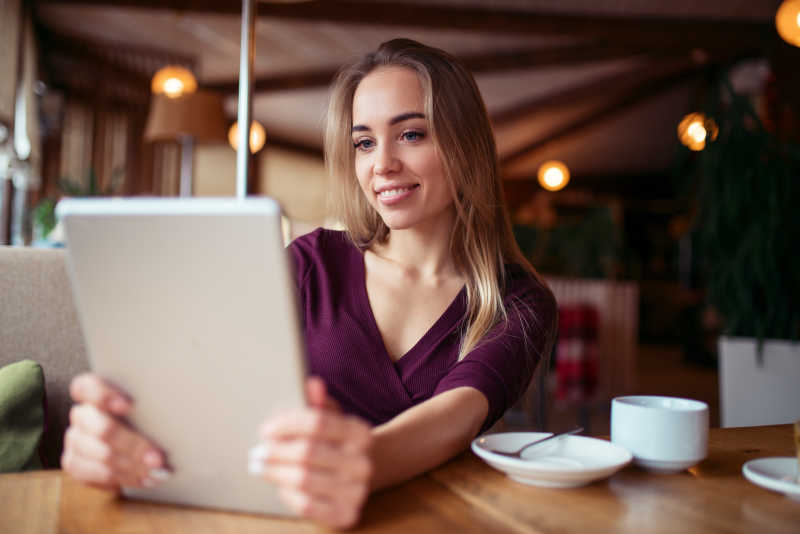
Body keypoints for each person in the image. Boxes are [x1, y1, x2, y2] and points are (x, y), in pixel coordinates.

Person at [61, 38, 557, 529]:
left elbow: (458, 416)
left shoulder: (517, 300)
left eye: (411, 134)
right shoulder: (311, 264)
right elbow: (210, 382)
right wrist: (128, 432)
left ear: (464, 143)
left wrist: (360, 463)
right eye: (364, 142)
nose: (381, 164)